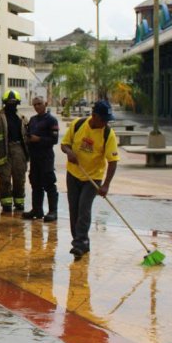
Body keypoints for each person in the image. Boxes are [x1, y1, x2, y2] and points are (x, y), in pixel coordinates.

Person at [60, 100, 119, 260]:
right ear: (94, 116)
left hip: (93, 177)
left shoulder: (108, 134)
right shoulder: (78, 124)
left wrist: (106, 185)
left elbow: (113, 162)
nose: (106, 123)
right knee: (74, 209)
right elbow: (64, 144)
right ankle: (79, 242)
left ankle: (80, 243)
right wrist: (69, 152)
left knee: (84, 208)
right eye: (104, 119)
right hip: (73, 174)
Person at [0, 90, 29, 212]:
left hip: (19, 151)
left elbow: (27, 136)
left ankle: (19, 202)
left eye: (14, 102)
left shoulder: (22, 119)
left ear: (17, 103)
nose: (12, 105)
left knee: (19, 178)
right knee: (4, 179)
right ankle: (6, 204)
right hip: (3, 152)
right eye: (9, 103)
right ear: (5, 103)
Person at [23, 96, 60, 222]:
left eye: (39, 104)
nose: (37, 106)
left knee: (49, 183)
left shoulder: (51, 120)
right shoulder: (33, 120)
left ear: (45, 104)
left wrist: (38, 139)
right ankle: (37, 209)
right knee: (35, 183)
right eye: (35, 105)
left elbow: (54, 140)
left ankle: (53, 211)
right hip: (35, 157)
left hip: (46, 157)